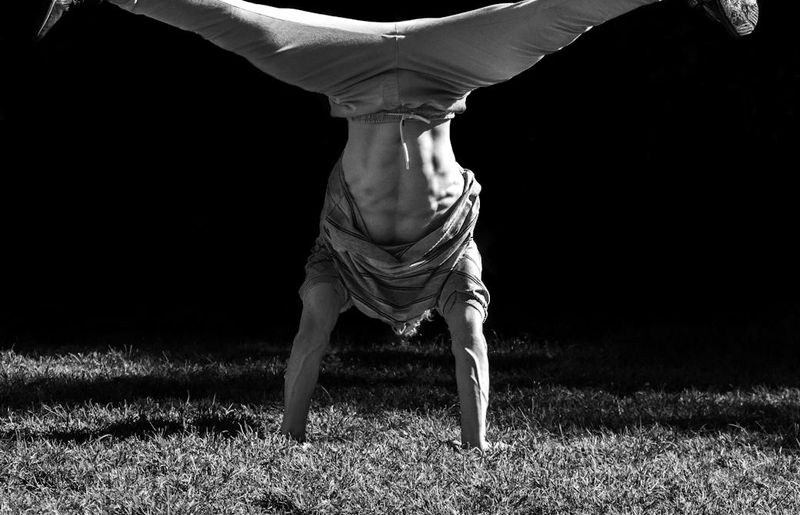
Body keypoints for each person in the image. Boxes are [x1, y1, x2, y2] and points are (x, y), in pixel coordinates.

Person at [30, 0, 758, 451]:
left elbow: (311, 337)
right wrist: (475, 448)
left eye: (406, 319)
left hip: (349, 76)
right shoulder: (453, 267)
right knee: (545, 22)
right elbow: (469, 345)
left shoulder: (338, 269)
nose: (409, 321)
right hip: (443, 74)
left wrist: (293, 439)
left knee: (240, 25)